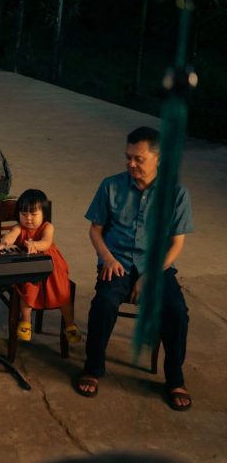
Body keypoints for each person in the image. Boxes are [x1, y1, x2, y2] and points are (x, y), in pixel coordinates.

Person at [76, 126, 194, 411]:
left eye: (138, 159)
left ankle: (175, 379)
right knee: (104, 303)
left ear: (158, 158)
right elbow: (95, 230)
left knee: (177, 311)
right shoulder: (111, 186)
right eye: (128, 157)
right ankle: (93, 367)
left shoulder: (176, 193)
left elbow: (176, 244)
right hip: (116, 263)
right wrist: (107, 258)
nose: (131, 164)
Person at [0, 189, 81, 343]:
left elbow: (46, 242)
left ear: (43, 214)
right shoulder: (19, 228)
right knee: (27, 289)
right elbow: (11, 236)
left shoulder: (47, 227)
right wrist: (3, 243)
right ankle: (26, 322)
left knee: (62, 291)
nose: (28, 218)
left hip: (51, 266)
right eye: (24, 214)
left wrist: (35, 244)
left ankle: (70, 325)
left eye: (34, 214)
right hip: (29, 266)